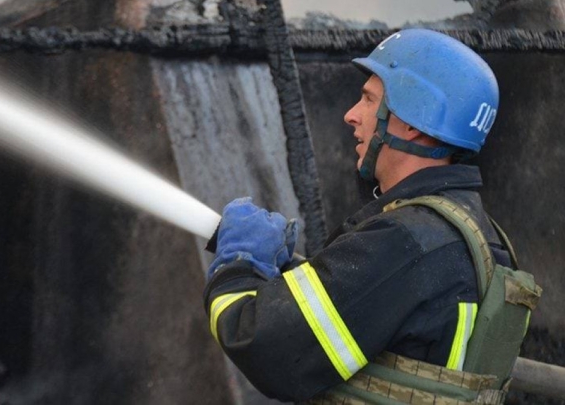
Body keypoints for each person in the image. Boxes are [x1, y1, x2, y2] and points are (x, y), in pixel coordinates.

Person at [204, 29, 533, 403]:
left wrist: (239, 262)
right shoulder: (480, 238)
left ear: (412, 119)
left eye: (368, 99)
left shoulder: (404, 242)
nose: (350, 115)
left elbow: (266, 348)